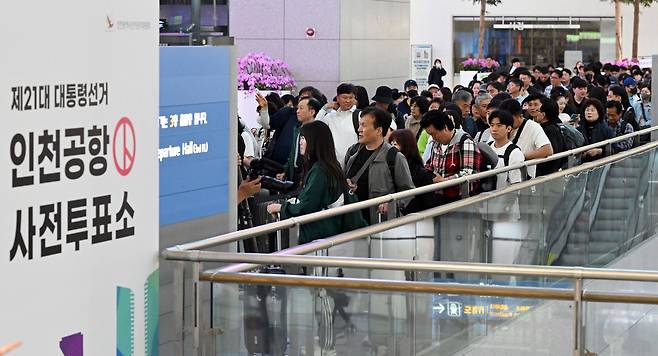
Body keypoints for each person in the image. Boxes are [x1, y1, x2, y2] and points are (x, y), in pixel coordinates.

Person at [266, 121, 366, 244]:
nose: (300, 142)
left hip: (321, 237)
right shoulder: (330, 166)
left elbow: (307, 207)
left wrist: (280, 208)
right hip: (334, 233)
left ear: (314, 141)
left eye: (303, 138)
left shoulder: (319, 170)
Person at [344, 107, 415, 223]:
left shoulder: (393, 157)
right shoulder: (352, 152)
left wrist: (391, 203)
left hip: (379, 223)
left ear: (379, 130)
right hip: (351, 222)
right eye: (359, 125)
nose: (359, 129)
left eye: (364, 125)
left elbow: (408, 191)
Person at [420, 110, 481, 204]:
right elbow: (430, 165)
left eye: (434, 134)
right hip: (438, 197)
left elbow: (470, 173)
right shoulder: (436, 143)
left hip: (460, 199)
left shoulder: (465, 142)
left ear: (445, 127)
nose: (433, 137)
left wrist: (445, 181)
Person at [498, 99, 553, 178]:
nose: (507, 122)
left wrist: (519, 157)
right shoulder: (502, 126)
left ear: (518, 115)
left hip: (523, 178)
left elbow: (547, 150)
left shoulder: (533, 127)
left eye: (509, 119)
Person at [277, 97, 323, 187]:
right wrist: (286, 172)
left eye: (301, 108)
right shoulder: (297, 129)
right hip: (294, 174)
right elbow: (293, 154)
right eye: (297, 108)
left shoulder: (318, 131)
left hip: (309, 173)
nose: (297, 111)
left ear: (312, 112)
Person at [389, 129, 436, 213]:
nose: (391, 147)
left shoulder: (421, 173)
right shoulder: (390, 166)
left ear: (406, 146)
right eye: (390, 144)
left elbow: (428, 203)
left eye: (395, 144)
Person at [316, 83, 359, 165]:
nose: (348, 101)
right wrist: (324, 108)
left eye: (351, 98)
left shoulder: (360, 115)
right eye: (345, 97)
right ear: (338, 98)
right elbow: (317, 127)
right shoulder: (330, 117)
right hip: (333, 164)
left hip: (353, 163)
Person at [487, 110, 525, 189]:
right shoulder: (487, 147)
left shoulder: (514, 152)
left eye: (499, 125)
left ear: (508, 128)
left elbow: (516, 184)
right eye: (492, 125)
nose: (494, 129)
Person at [534, 98, 565, 176]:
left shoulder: (548, 130)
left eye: (538, 111)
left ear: (543, 114)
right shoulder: (555, 127)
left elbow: (551, 153)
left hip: (547, 174)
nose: (536, 113)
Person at [577, 98, 614, 163]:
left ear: (599, 113)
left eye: (592, 110)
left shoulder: (606, 130)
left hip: (602, 164)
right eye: (587, 110)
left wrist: (600, 151)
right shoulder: (578, 130)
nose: (589, 112)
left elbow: (615, 149)